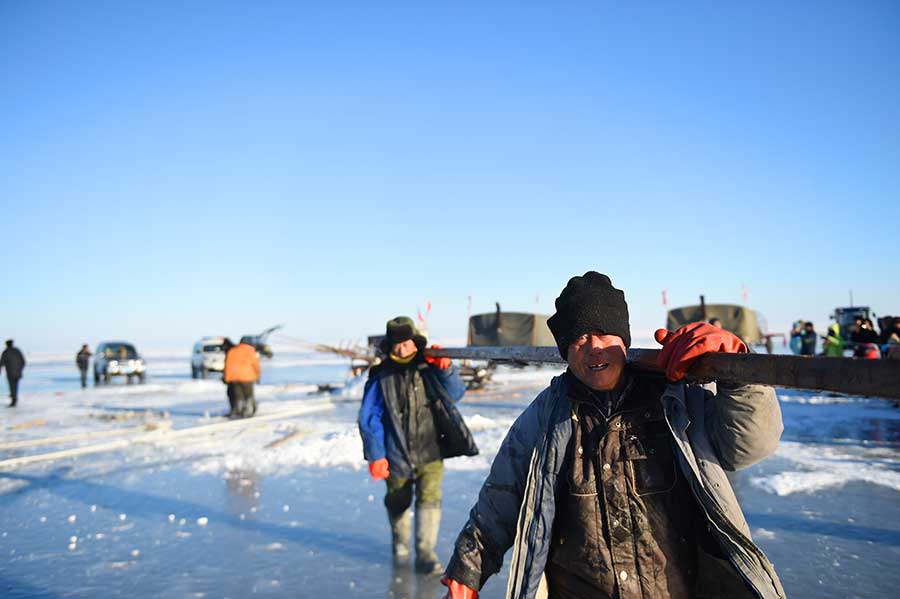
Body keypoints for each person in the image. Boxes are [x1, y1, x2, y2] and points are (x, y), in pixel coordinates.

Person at [441, 272, 785, 599]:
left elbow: (747, 446)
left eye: (605, 333)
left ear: (624, 339)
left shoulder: (675, 402)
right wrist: (467, 570)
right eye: (578, 338)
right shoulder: (547, 417)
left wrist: (739, 374)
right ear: (564, 351)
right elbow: (502, 494)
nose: (594, 347)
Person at [358, 316, 476, 575]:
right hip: (395, 452)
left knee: (429, 500)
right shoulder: (381, 375)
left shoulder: (428, 367)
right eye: (397, 344)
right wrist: (376, 454)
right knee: (397, 500)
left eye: (407, 342)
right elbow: (369, 416)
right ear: (390, 346)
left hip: (430, 449)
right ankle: (400, 546)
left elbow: (455, 394)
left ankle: (425, 554)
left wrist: (446, 369)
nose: (403, 348)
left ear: (415, 342)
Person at [223, 336, 260, 418]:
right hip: (247, 377)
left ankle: (237, 411)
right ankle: (248, 411)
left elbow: (228, 365)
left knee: (238, 396)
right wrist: (257, 375)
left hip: (234, 378)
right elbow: (256, 365)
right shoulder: (251, 351)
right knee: (248, 395)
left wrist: (227, 378)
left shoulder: (232, 350)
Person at [0, 339, 26, 407]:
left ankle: (14, 399)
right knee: (15, 386)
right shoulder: (17, 351)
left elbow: (1, 363)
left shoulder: (6, 352)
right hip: (17, 372)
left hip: (10, 373)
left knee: (12, 386)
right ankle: (14, 397)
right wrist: (20, 369)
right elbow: (23, 361)